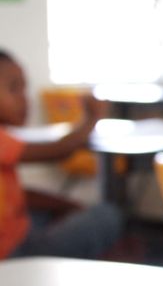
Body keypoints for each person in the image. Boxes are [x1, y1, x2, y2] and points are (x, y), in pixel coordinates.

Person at [0, 49, 123, 261]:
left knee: (59, 213)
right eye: (13, 88)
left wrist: (67, 206)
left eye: (24, 88)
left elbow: (18, 197)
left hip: (18, 230)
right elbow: (60, 150)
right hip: (13, 252)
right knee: (107, 215)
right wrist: (93, 117)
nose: (25, 99)